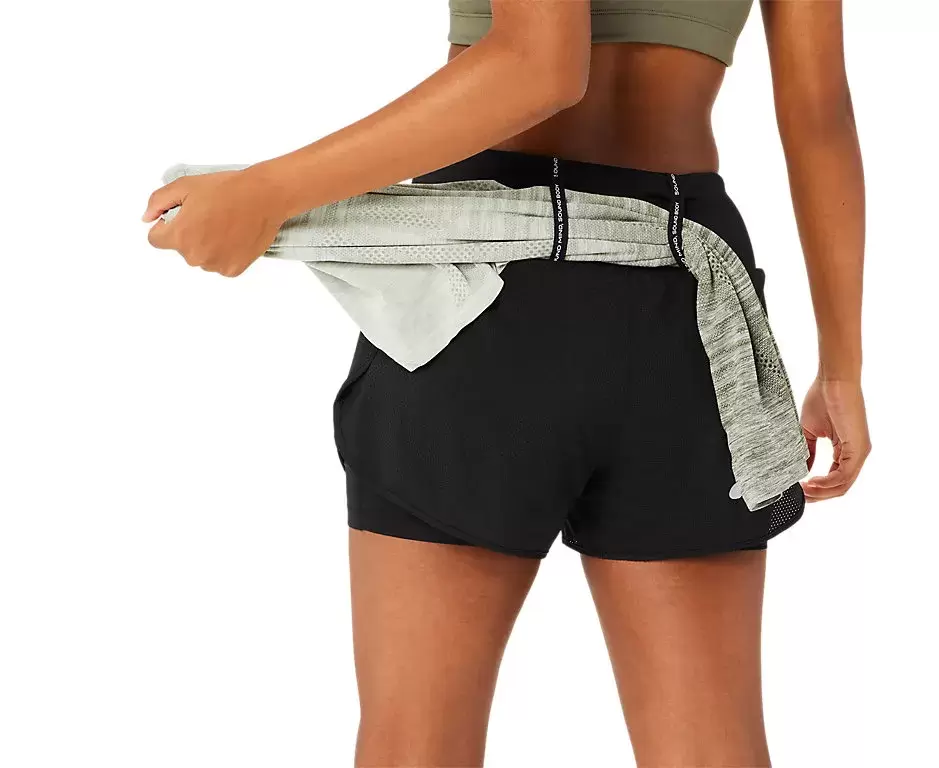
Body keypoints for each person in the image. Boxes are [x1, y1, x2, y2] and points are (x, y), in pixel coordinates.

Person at [142, 1, 870, 764]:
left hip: (485, 287)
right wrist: (841, 366)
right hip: (688, 289)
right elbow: (818, 109)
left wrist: (268, 192)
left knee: (416, 745)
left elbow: (539, 65)